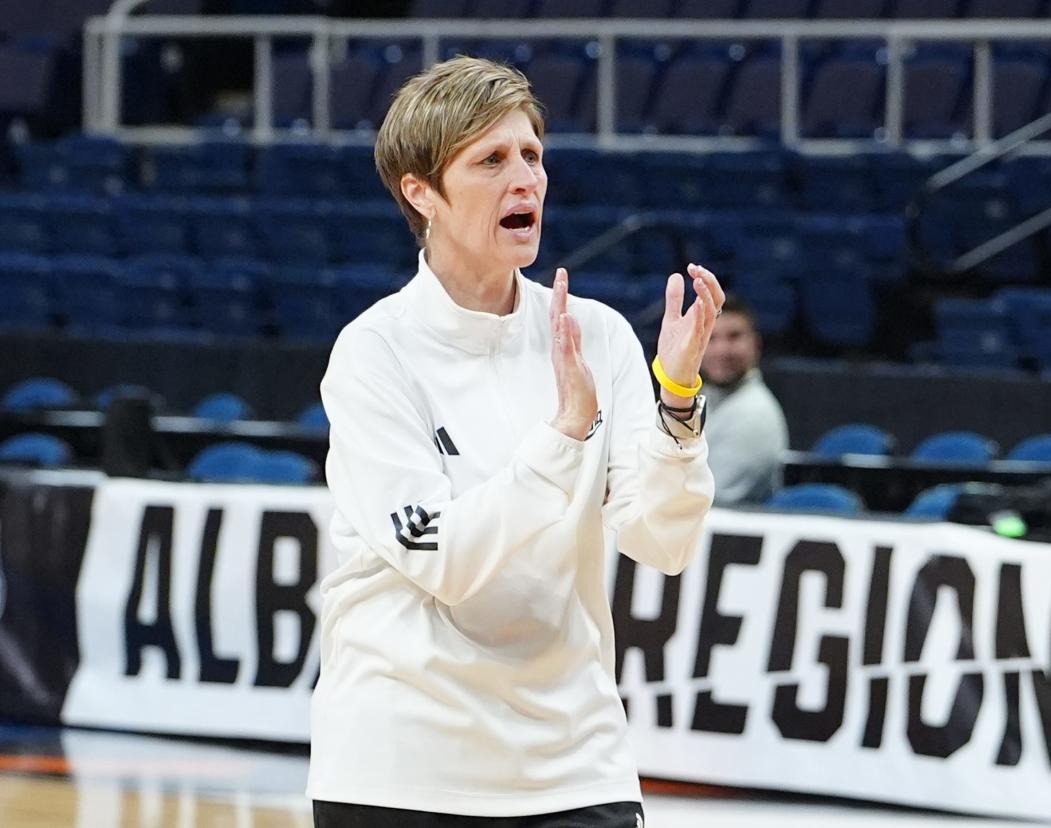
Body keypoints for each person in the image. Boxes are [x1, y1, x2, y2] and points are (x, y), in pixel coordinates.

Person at [306, 56, 723, 826]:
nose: (524, 178)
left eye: (532, 155)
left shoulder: (596, 334)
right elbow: (448, 560)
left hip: (574, 764)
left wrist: (679, 399)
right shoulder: (375, 352)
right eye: (491, 160)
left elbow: (663, 540)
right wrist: (564, 437)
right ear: (420, 192)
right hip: (401, 768)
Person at [700, 295, 789, 504]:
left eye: (734, 337)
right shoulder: (698, 397)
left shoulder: (754, 414)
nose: (721, 350)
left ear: (755, 345)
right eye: (710, 338)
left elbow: (711, 503)